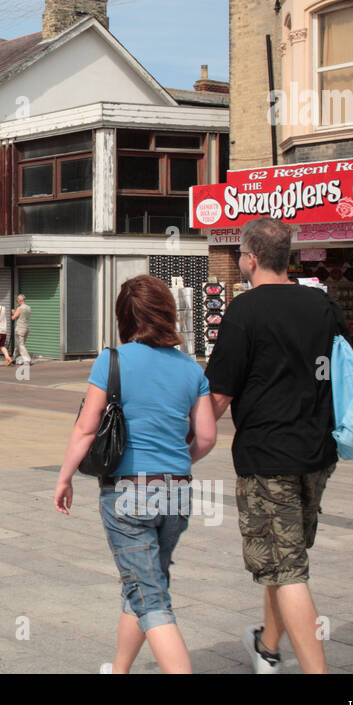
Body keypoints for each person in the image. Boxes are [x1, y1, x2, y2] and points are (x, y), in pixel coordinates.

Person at [54, 274, 216, 674]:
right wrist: (176, 463)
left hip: (127, 492)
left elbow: (86, 428)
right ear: (166, 313)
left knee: (152, 598)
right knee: (147, 584)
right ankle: (120, 668)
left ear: (123, 317)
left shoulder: (112, 361)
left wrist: (64, 478)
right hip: (176, 491)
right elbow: (208, 436)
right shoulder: (190, 368)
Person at [204, 216, 345, 675]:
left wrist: (187, 443)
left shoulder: (245, 311)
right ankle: (267, 646)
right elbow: (342, 370)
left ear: (249, 258)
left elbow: (220, 394)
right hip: (318, 454)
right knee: (287, 554)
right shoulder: (323, 305)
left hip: (269, 457)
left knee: (288, 571)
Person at [12, 294, 32, 365]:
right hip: (26, 328)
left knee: (21, 345)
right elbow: (22, 316)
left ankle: (28, 360)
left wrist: (14, 313)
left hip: (20, 328)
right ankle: (14, 358)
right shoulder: (29, 308)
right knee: (18, 345)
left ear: (20, 300)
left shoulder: (20, 308)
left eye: (17, 300)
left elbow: (14, 317)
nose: (17, 302)